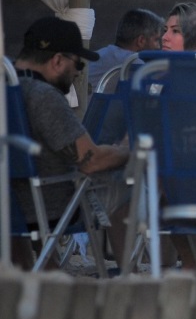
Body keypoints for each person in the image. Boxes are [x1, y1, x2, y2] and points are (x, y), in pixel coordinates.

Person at [10, 17, 132, 270]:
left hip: (10, 206)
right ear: (57, 60)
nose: (78, 72)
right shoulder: (44, 97)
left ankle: (41, 267)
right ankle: (129, 272)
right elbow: (92, 161)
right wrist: (129, 149)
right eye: (78, 63)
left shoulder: (7, 87)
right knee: (133, 182)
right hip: (52, 205)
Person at [87, 8, 164, 91]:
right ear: (141, 41)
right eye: (156, 40)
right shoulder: (133, 63)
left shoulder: (100, 55)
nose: (158, 46)